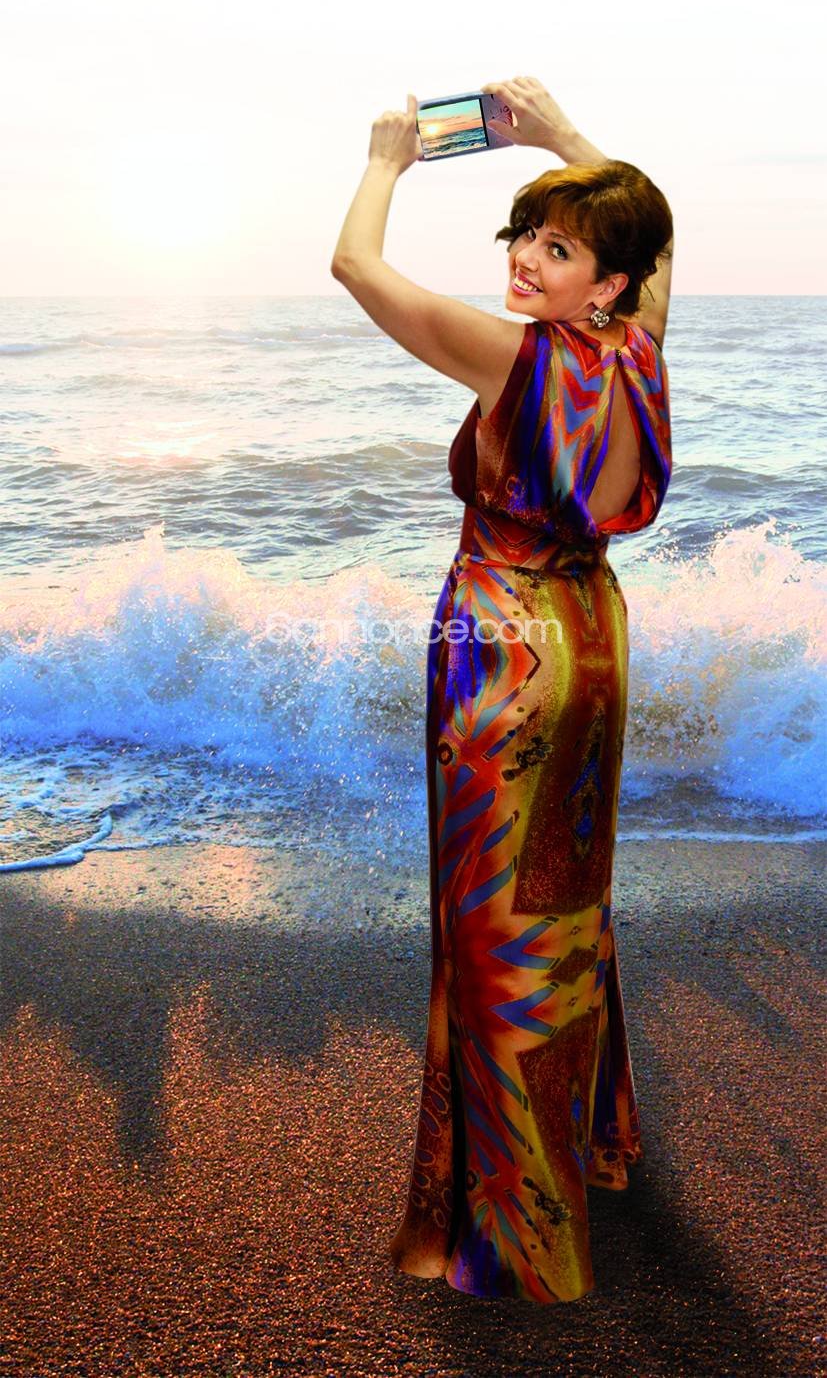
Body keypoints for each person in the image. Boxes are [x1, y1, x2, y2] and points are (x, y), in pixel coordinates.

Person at [330, 75, 674, 1304]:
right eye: (525, 234)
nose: (526, 259)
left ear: (605, 279)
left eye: (559, 248)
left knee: (489, 925)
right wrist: (567, 140)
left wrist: (387, 161)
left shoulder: (512, 357)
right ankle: (583, 1142)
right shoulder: (636, 347)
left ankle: (519, 1229)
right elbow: (657, 241)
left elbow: (354, 269)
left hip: (502, 652)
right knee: (562, 904)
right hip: (591, 636)